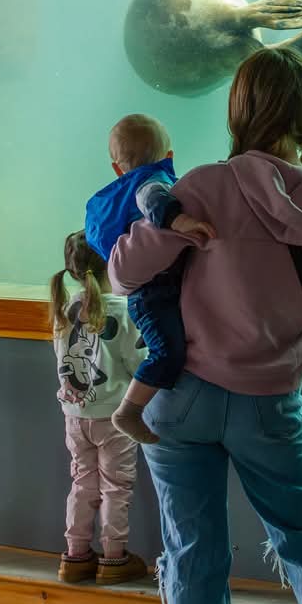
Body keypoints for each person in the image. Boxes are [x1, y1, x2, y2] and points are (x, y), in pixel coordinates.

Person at [107, 49, 302, 604]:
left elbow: (121, 273)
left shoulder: (204, 185)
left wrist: (168, 222)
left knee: (192, 556)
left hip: (183, 398)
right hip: (271, 403)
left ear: (239, 109)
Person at [84, 114, 215, 444]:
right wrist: (178, 220)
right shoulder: (153, 179)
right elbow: (150, 197)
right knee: (169, 354)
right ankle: (128, 411)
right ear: (169, 156)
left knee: (164, 330)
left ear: (117, 168)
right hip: (153, 292)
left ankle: (153, 335)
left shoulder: (119, 188)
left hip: (147, 292)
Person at [49, 231, 149, 585]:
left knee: (82, 482)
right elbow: (138, 363)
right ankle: (113, 558)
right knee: (116, 486)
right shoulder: (123, 309)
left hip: (75, 414)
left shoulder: (64, 306)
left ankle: (75, 556)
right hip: (114, 417)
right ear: (114, 261)